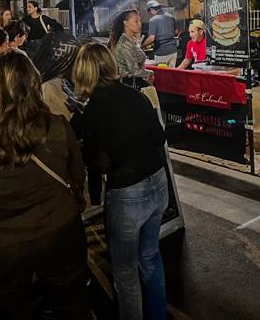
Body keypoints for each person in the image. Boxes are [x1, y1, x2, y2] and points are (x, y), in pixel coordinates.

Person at [0, 50, 90, 320]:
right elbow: (77, 175)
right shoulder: (57, 126)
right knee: (71, 307)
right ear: (34, 82)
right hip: (58, 231)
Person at [71, 43, 168, 320]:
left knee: (125, 271)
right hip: (159, 184)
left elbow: (98, 162)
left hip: (127, 192)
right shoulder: (136, 96)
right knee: (150, 256)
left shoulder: (92, 110)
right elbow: (160, 138)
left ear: (83, 72)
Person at [33, 31, 82, 120]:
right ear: (64, 62)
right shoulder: (49, 89)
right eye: (76, 59)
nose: (79, 65)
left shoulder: (58, 82)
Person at [114, 9, 153, 89]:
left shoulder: (131, 41)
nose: (139, 24)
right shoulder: (125, 43)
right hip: (129, 85)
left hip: (134, 84)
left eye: (140, 21)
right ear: (125, 23)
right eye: (136, 21)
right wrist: (150, 73)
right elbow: (134, 71)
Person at [143, 0, 178, 68]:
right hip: (173, 51)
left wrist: (142, 46)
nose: (150, 14)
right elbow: (176, 32)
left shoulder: (153, 20)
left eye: (149, 12)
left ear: (151, 9)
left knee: (161, 75)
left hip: (161, 52)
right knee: (171, 74)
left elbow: (151, 38)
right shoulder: (171, 16)